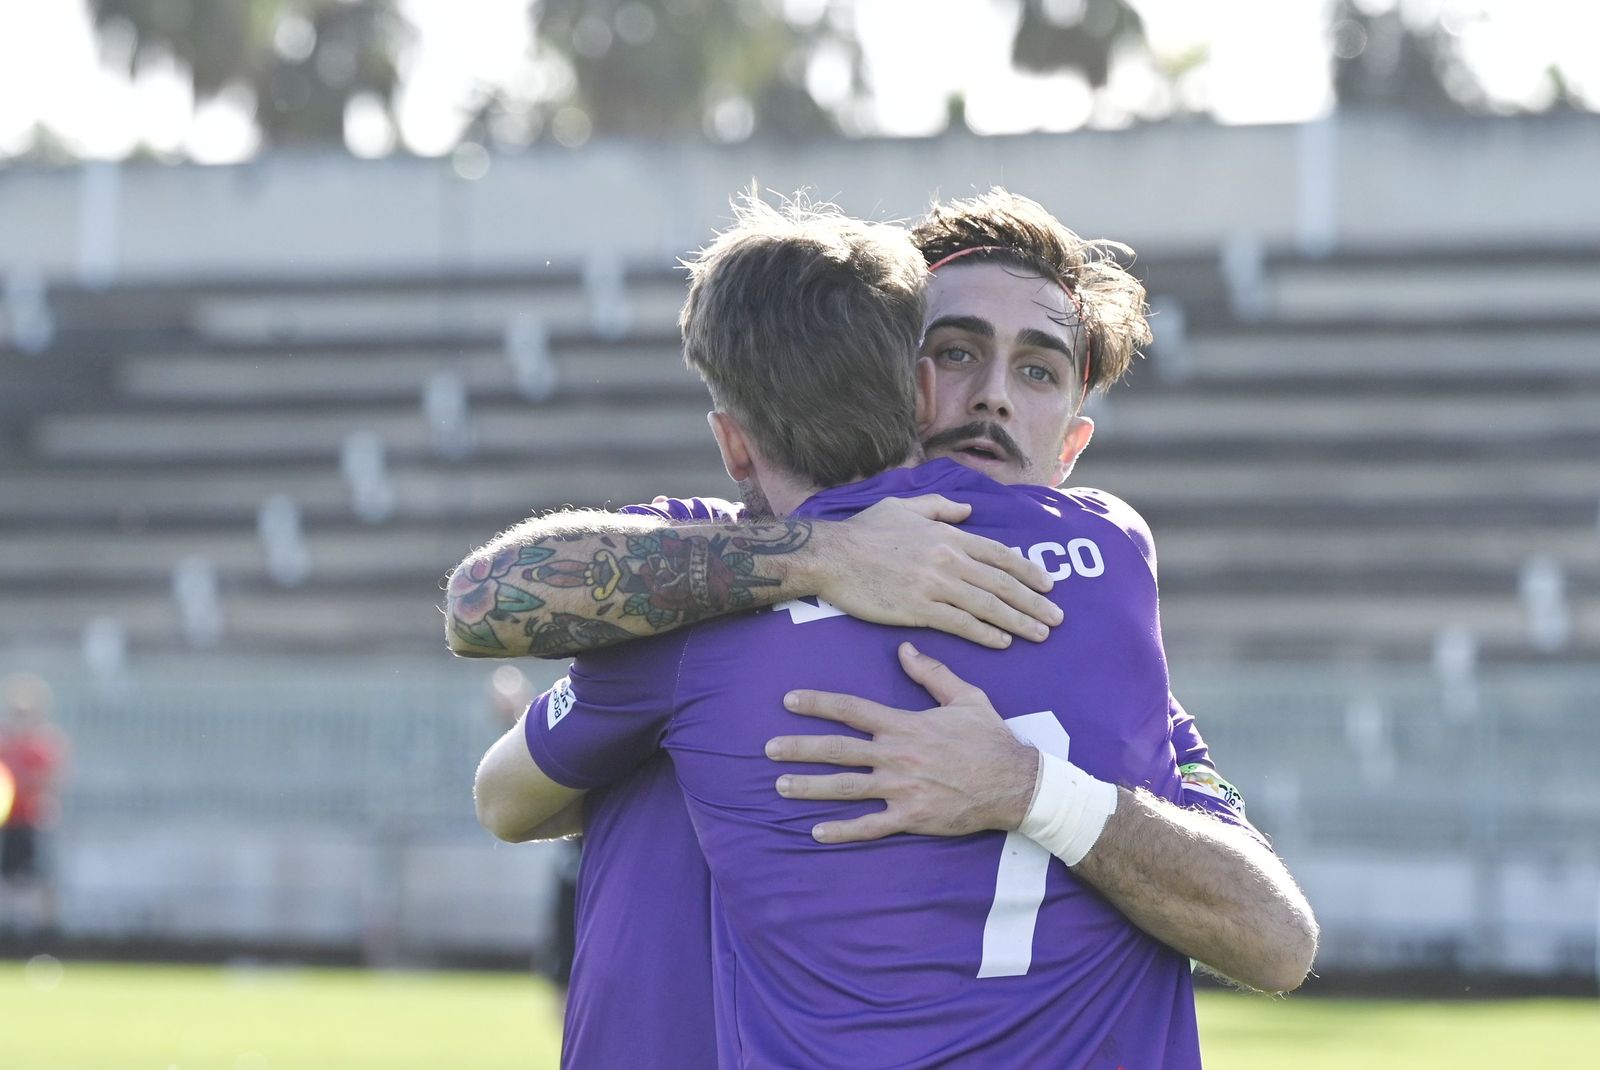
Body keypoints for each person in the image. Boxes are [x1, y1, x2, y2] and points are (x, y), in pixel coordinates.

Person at [465, 194, 1315, 1065]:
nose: (991, 397)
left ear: (1071, 446)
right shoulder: (720, 564)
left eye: (1038, 371)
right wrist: (822, 554)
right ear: (890, 376)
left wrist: (1026, 787)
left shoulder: (1107, 632)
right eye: (956, 352)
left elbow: (1273, 933)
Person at [0, 672, 68, 941]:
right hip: (9, 822)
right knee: (9, 877)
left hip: (32, 822)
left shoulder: (43, 744)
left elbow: (50, 782)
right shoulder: (4, 744)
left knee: (38, 878)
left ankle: (45, 935)